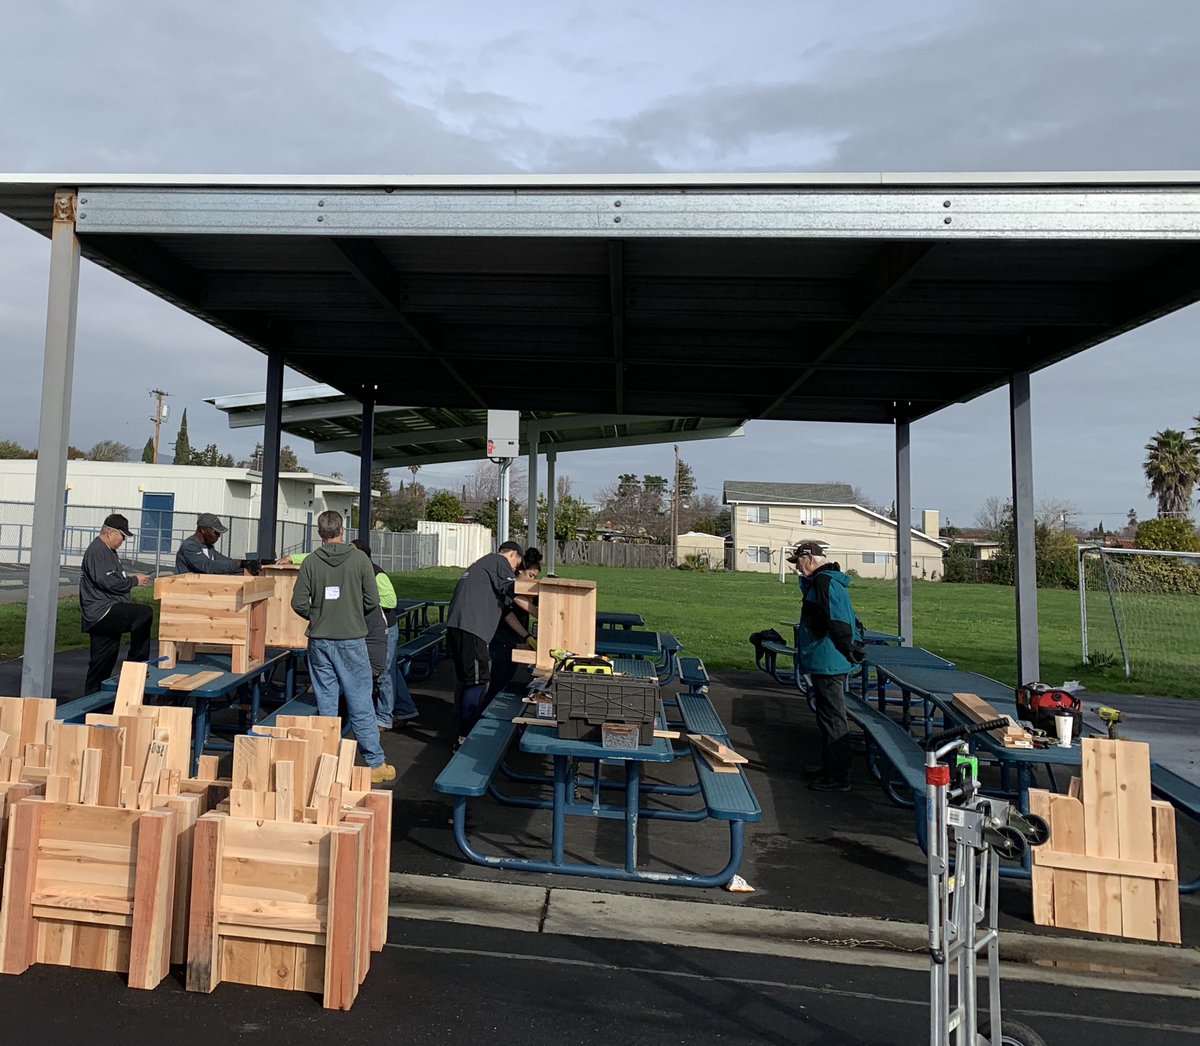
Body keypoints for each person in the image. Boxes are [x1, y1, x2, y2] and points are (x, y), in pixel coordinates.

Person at [291, 511, 395, 784]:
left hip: (319, 641)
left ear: (319, 532)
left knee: (327, 702)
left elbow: (298, 602)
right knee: (361, 701)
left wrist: (320, 615)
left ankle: (327, 763)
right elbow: (373, 600)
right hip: (351, 639)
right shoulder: (359, 559)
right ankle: (374, 764)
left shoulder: (311, 562)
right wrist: (351, 615)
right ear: (343, 529)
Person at [789, 539, 861, 793]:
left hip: (829, 660)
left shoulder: (824, 582)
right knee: (827, 716)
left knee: (832, 717)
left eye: (798, 562)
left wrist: (848, 650)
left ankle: (839, 775)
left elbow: (838, 622)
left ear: (809, 559)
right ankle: (831, 768)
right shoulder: (825, 580)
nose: (796, 568)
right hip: (827, 659)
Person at [445, 540, 533, 747]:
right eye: (517, 564)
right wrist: (541, 611)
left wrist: (528, 636)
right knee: (477, 680)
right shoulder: (499, 562)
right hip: (472, 628)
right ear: (513, 554)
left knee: (469, 679)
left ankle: (463, 726)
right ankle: (466, 735)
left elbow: (506, 612)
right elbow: (514, 591)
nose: (515, 569)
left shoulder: (482, 567)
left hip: (457, 626)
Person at [350, 539, 420, 731]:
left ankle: (383, 717)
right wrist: (291, 558)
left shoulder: (376, 573)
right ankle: (406, 709)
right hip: (369, 628)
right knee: (391, 670)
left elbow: (391, 600)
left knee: (384, 673)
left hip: (385, 628)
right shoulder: (353, 571)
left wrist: (366, 598)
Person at [80, 513, 153, 695]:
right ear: (111, 533)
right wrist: (133, 581)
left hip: (101, 613)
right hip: (102, 611)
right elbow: (109, 582)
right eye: (122, 536)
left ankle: (91, 702)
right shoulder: (98, 551)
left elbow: (113, 579)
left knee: (102, 662)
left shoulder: (108, 551)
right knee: (144, 614)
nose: (123, 541)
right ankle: (137, 663)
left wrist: (129, 580)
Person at [485, 546, 542, 703]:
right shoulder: (508, 590)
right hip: (501, 641)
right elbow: (508, 616)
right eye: (530, 576)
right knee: (497, 683)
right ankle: (482, 714)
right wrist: (528, 635)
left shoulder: (527, 594)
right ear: (519, 571)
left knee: (505, 680)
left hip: (514, 641)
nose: (533, 581)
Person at [175, 513, 258, 575]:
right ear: (203, 530)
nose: (218, 536)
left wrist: (247, 564)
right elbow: (208, 566)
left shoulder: (209, 547)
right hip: (186, 594)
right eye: (216, 532)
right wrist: (240, 564)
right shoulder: (189, 546)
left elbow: (224, 561)